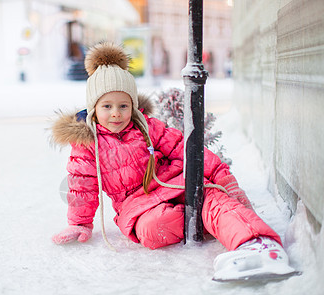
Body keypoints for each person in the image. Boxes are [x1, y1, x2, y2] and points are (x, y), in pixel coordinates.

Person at [50, 42, 296, 281]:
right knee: (151, 230)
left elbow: (187, 151)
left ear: (133, 107)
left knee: (210, 198)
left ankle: (256, 243)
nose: (116, 113)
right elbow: (82, 186)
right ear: (93, 108)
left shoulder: (147, 127)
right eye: (107, 106)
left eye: (124, 105)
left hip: (175, 182)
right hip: (137, 207)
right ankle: (218, 220)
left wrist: (223, 178)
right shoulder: (87, 143)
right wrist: (80, 223)